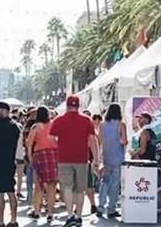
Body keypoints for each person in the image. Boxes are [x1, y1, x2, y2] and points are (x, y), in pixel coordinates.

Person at [49, 95, 99, 227]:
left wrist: (61, 144)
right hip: (82, 159)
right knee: (80, 189)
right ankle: (79, 216)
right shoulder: (86, 120)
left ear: (66, 106)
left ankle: (70, 215)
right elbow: (93, 140)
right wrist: (96, 158)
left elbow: (51, 139)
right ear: (78, 106)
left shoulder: (58, 120)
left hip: (64, 159)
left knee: (67, 187)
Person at [26, 106, 59, 222]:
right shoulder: (54, 124)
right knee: (52, 186)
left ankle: (36, 211)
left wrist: (30, 157)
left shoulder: (35, 127)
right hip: (54, 155)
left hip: (40, 155)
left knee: (38, 186)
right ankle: (50, 213)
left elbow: (29, 144)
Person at [97, 104, 126, 219]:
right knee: (115, 184)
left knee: (105, 181)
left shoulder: (102, 125)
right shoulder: (121, 125)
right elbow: (124, 141)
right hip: (118, 157)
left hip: (106, 156)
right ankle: (111, 209)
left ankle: (100, 206)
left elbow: (99, 140)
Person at [85, 114, 103, 215]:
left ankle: (77, 207)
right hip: (86, 159)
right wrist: (96, 159)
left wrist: (96, 159)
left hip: (82, 159)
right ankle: (92, 205)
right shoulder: (91, 131)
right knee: (89, 184)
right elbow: (94, 142)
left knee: (80, 185)